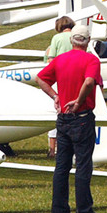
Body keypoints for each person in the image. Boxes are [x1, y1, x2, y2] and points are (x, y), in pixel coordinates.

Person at [36, 24, 106, 213]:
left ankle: (59, 212)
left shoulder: (59, 59)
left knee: (62, 166)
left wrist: (55, 96)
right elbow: (90, 82)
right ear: (88, 40)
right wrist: (79, 100)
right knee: (83, 165)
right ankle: (84, 211)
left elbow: (40, 78)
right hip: (82, 117)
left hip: (63, 118)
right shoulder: (91, 59)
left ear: (71, 40)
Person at [44, 16, 76, 158]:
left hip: (60, 76)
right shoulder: (76, 36)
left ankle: (53, 148)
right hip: (76, 77)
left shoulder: (56, 38)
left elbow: (51, 60)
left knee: (57, 109)